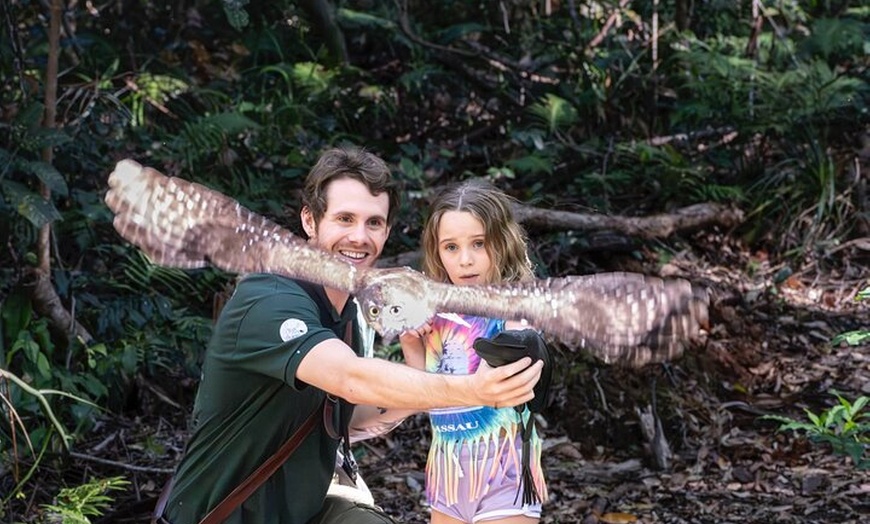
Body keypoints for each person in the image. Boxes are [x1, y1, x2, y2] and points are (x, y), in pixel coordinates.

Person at [156, 147, 544, 524]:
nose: (359, 237)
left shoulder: (349, 314)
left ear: (387, 230)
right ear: (310, 221)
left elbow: (347, 418)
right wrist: (474, 390)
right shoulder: (269, 298)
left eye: (373, 223)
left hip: (304, 513)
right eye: (344, 219)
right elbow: (350, 378)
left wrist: (417, 365)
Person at [400, 180, 549, 524]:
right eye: (450, 247)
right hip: (448, 478)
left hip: (505, 475)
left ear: (503, 242)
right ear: (437, 252)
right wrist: (410, 340)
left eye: (479, 244)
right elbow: (423, 395)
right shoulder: (433, 313)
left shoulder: (515, 308)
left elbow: (522, 364)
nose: (465, 260)